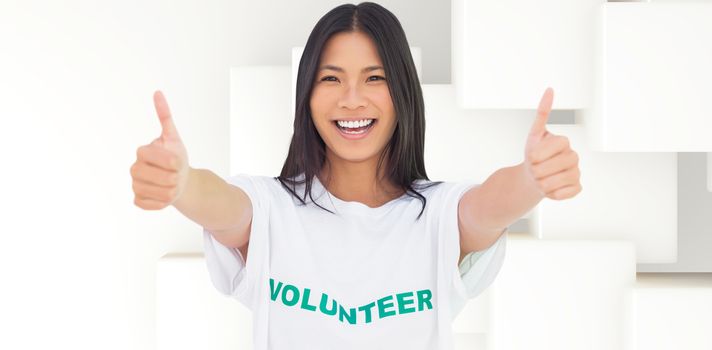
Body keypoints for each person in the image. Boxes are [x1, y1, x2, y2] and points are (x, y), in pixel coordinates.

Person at [130, 2, 581, 349]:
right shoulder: (271, 209)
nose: (351, 100)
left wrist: (532, 178)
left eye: (374, 78)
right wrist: (182, 183)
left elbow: (488, 208)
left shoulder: (438, 214)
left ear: (402, 92)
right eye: (330, 79)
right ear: (307, 94)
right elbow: (223, 206)